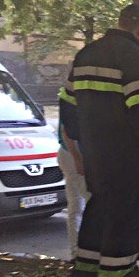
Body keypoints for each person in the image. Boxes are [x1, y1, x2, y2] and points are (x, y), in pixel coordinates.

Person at [59, 2, 139, 277]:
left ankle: (84, 273)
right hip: (128, 155)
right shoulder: (134, 58)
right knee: (127, 215)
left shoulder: (85, 54)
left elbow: (67, 106)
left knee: (98, 208)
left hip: (95, 153)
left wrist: (80, 142)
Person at [55, 101, 90, 260]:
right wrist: (78, 159)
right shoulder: (74, 96)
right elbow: (66, 131)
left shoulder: (70, 94)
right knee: (92, 201)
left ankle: (77, 251)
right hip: (73, 153)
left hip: (68, 153)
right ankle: (89, 251)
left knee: (76, 205)